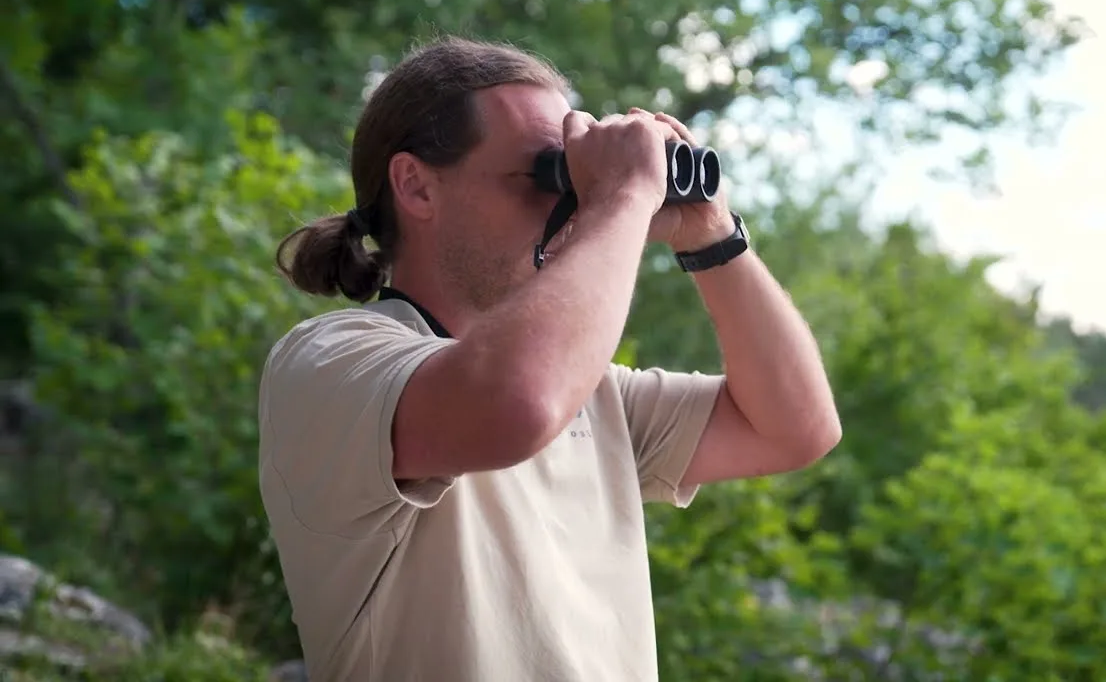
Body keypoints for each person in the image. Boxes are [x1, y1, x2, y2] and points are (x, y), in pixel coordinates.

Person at [258, 36, 842, 682]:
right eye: (547, 174)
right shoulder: (330, 362)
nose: (569, 203)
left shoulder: (594, 397)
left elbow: (794, 428)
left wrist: (710, 235)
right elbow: (516, 402)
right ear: (416, 186)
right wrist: (623, 196)